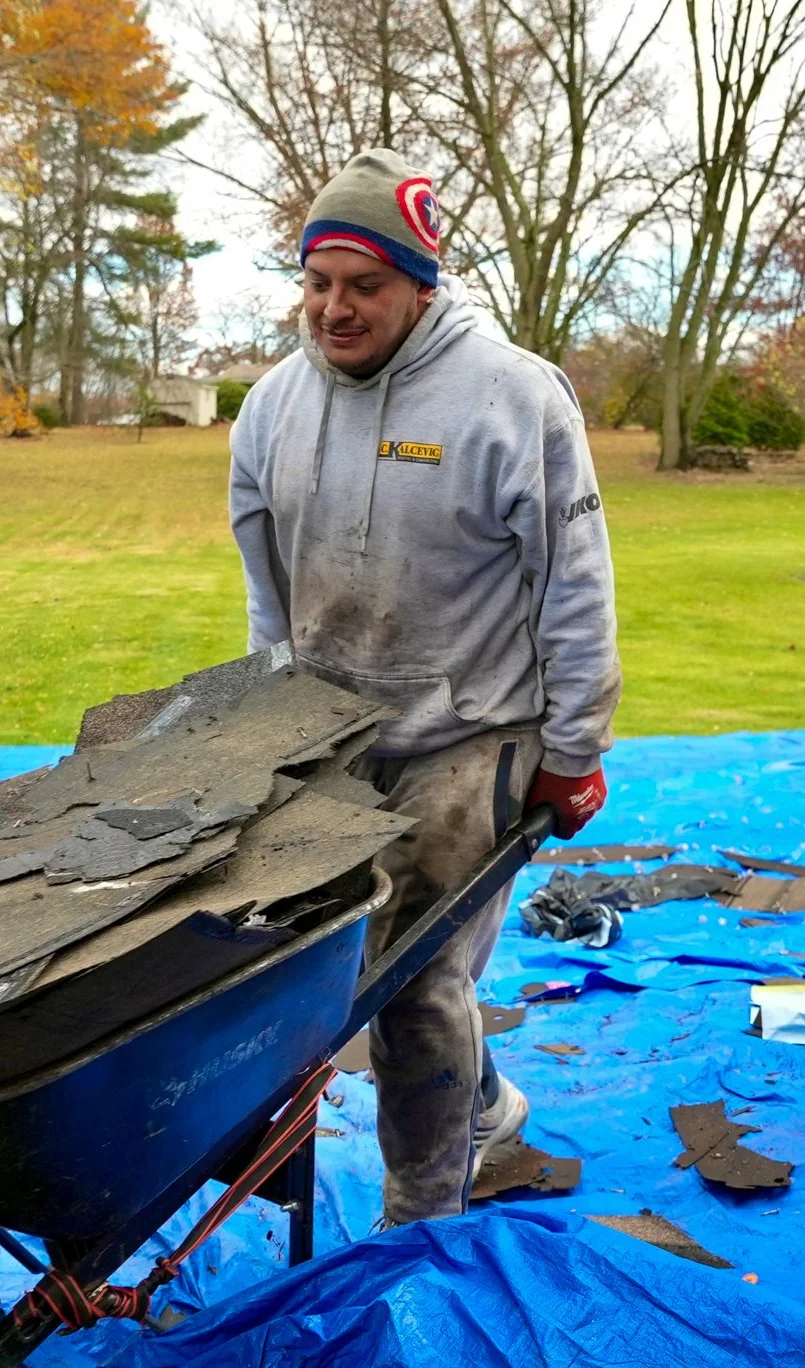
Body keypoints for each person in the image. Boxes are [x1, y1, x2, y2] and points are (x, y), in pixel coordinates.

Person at [228, 149, 622, 1224]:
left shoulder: (509, 399)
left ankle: (421, 1218)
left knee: (410, 997)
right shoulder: (267, 410)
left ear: (419, 284)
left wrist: (573, 750)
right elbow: (269, 597)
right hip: (335, 737)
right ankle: (482, 1107)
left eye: (363, 286)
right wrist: (268, 727)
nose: (333, 309)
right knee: (321, 978)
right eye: (317, 283)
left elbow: (572, 583)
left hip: (472, 739)